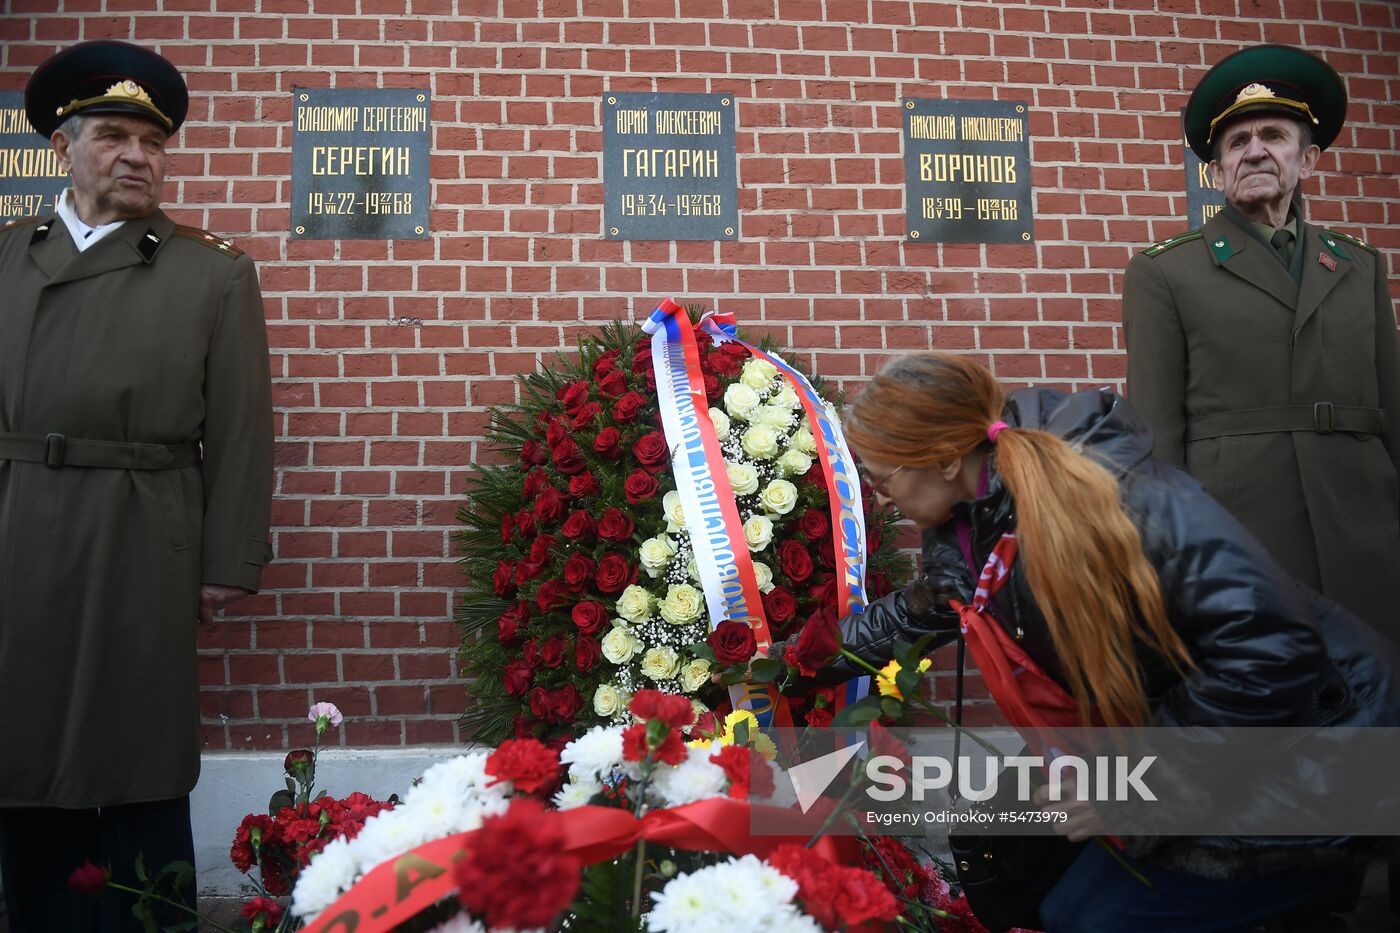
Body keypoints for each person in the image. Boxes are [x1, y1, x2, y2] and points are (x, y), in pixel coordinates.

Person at [815, 351, 1399, 932]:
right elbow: (920, 613)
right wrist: (790, 666)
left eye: (879, 475)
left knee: (1092, 920)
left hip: (1316, 752)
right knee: (1024, 865)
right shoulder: (973, 518)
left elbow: (1274, 648)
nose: (880, 498)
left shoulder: (1123, 499)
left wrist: (1143, 786)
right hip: (1189, 737)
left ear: (943, 460)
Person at [0, 41, 273, 931]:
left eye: (152, 143)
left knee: (140, 749)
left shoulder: (213, 271)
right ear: (61, 148)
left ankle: (149, 915)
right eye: (112, 135)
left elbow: (239, 425)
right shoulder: (7, 259)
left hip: (141, 530)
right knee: (22, 735)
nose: (135, 157)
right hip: (15, 527)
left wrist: (227, 557)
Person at [1122, 44, 1400, 643]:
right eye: (1235, 143)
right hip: (1241, 534)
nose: (1254, 151)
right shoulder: (1165, 272)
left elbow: (1392, 407)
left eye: (1273, 134)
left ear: (1310, 157)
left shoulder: (1360, 265)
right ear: (1217, 171)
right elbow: (1156, 432)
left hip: (1366, 528)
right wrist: (1169, 555)